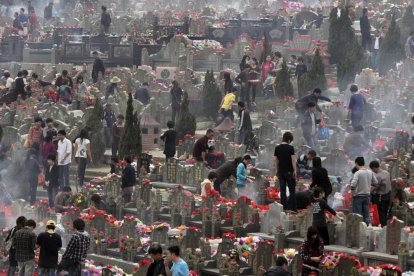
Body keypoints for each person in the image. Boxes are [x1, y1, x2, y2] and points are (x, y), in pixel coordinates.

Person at [351, 157, 378, 225]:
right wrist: (369, 187)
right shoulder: (370, 172)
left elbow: (353, 184)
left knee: (357, 214)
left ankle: (358, 228)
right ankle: (367, 227)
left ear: (356, 163)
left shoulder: (358, 173)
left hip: (358, 196)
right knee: (366, 213)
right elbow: (376, 182)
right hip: (367, 196)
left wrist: (353, 192)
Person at [274, 132, 297, 211]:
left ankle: (284, 207)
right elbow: (293, 160)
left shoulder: (277, 148)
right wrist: (295, 170)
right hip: (289, 172)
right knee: (292, 190)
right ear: (289, 140)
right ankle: (292, 207)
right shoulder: (291, 148)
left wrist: (277, 170)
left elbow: (276, 160)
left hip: (281, 172)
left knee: (283, 190)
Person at [369, 160, 391, 226]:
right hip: (388, 194)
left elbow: (375, 186)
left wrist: (369, 191)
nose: (372, 171)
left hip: (381, 197)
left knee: (381, 212)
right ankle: (386, 225)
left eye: (372, 169)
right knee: (385, 211)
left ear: (374, 168)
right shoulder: (387, 173)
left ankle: (382, 225)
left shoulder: (378, 176)